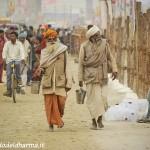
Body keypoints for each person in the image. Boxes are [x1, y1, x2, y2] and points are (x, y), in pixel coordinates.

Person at [78, 25, 118, 130]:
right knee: (91, 100)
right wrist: (80, 78)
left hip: (103, 76)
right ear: (91, 37)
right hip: (90, 77)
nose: (99, 37)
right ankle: (93, 121)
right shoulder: (84, 46)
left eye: (99, 34)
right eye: (96, 35)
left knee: (103, 99)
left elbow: (111, 57)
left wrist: (114, 69)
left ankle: (100, 118)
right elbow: (81, 63)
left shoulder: (105, 44)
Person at [35, 29, 72, 131]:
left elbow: (67, 66)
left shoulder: (63, 50)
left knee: (61, 101)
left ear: (56, 38)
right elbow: (42, 65)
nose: (51, 39)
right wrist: (40, 69)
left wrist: (68, 80)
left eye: (53, 37)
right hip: (48, 81)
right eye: (49, 38)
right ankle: (51, 123)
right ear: (46, 39)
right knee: (49, 104)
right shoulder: (44, 51)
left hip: (60, 80)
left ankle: (58, 118)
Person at [2, 31, 25, 97]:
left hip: (17, 60)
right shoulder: (7, 43)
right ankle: (9, 90)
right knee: (8, 74)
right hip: (9, 60)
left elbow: (22, 51)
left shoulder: (19, 44)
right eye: (10, 36)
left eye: (13, 36)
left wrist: (23, 58)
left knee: (18, 73)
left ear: (16, 37)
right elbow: (4, 51)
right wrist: (4, 58)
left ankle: (19, 84)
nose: (11, 37)